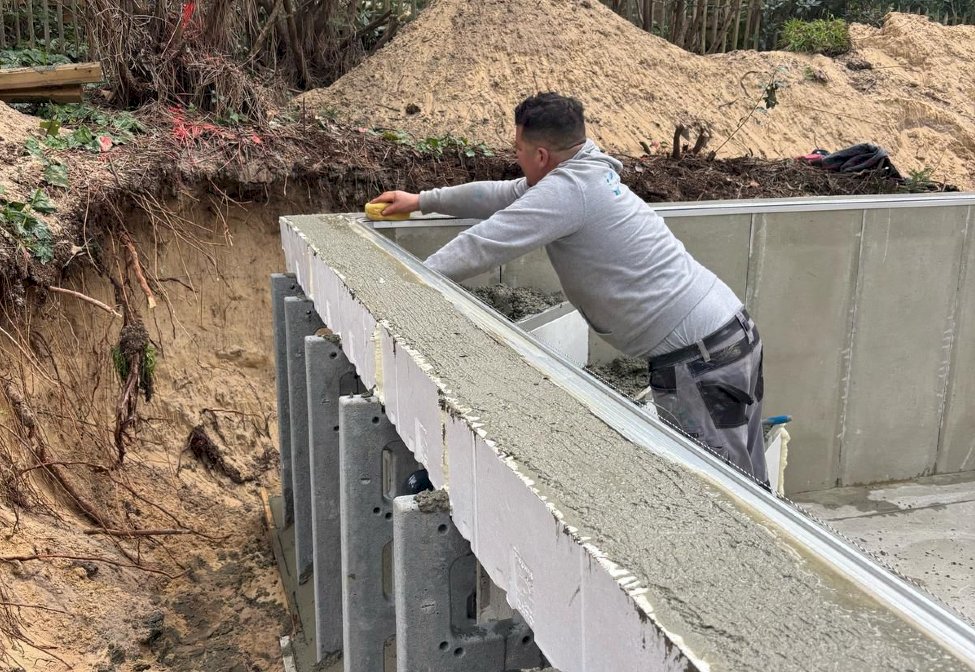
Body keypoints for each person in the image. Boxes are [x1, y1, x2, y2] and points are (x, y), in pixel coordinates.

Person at [370, 92, 767, 484]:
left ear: (541, 156)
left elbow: (484, 244)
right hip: (727, 336)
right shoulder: (582, 171)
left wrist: (403, 284)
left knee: (719, 494)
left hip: (701, 362)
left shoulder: (568, 192)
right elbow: (500, 196)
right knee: (750, 484)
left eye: (519, 149)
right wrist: (421, 200)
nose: (517, 158)